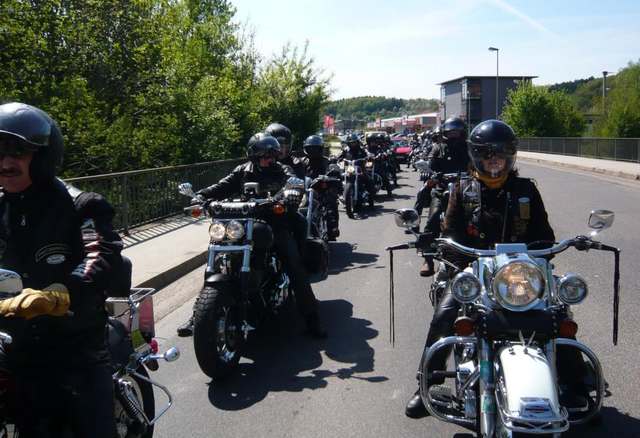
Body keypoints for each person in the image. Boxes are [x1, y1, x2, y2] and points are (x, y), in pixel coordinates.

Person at [406, 119, 559, 418]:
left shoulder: (526, 189)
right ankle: (427, 384)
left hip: (518, 274)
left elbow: (544, 235)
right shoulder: (462, 189)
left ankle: (576, 384)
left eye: (500, 154)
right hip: (474, 271)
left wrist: (540, 252)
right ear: (476, 156)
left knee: (557, 315)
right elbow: (451, 234)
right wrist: (458, 258)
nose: (494, 160)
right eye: (487, 154)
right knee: (443, 317)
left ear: (510, 156)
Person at [0, 102, 122, 436]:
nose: (6, 163)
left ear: (43, 157)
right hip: (14, 337)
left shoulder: (81, 205)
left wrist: (61, 292)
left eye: (17, 152)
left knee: (93, 427)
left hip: (72, 340)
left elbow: (100, 253)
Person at [176, 133, 327, 339]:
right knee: (217, 260)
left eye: (272, 156)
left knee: (293, 263)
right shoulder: (242, 171)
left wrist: (289, 195)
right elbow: (221, 186)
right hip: (241, 223)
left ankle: (311, 318)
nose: (269, 160)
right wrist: (201, 196)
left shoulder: (282, 170)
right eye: (264, 156)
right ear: (254, 157)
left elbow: (293, 184)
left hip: (274, 223)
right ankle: (199, 314)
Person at [413, 117, 470, 277]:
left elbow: (479, 164)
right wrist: (430, 174)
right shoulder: (438, 148)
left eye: (456, 132)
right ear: (445, 133)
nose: (453, 135)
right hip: (442, 189)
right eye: (450, 133)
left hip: (466, 190)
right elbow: (430, 165)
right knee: (433, 219)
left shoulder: (470, 149)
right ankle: (428, 259)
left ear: (462, 133)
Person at [302, 135, 340, 240]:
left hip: (322, 189)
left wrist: (333, 174)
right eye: (310, 149)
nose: (313, 151)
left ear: (321, 149)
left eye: (315, 149)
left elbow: (334, 170)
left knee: (331, 200)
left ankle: (333, 227)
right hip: (306, 189)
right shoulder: (302, 162)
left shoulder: (326, 161)